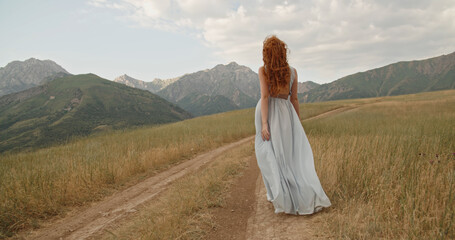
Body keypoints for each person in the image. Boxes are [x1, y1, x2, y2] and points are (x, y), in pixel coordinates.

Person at [254, 35, 331, 215]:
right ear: (283, 53)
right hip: (287, 114)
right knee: (289, 156)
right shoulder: (293, 71)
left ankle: (278, 195)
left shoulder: (263, 70)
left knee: (269, 153)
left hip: (268, 113)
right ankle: (289, 194)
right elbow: (294, 98)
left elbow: (265, 97)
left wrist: (264, 123)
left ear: (267, 54)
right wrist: (297, 122)